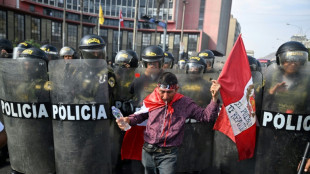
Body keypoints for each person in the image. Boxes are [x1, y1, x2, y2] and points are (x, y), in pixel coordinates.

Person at [116, 72, 221, 174]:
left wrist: (214, 98)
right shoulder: (151, 99)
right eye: (162, 92)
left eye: (169, 92)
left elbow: (206, 116)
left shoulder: (185, 103)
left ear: (176, 89)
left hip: (168, 154)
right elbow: (140, 115)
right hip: (148, 150)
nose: (165, 96)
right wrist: (128, 120)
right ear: (157, 88)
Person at [255, 41, 310, 174]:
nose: (293, 63)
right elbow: (256, 106)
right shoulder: (269, 79)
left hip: (298, 142)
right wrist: (271, 93)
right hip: (270, 140)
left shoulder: (308, 82)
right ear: (281, 60)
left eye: (297, 60)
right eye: (289, 60)